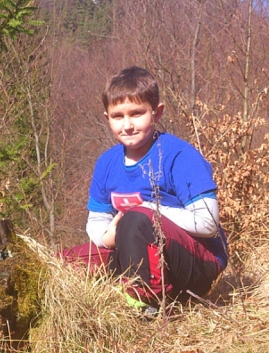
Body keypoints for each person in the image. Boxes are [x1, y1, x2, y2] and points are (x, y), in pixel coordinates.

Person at [62, 66, 227, 313]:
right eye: (118, 116)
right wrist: (106, 237)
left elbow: (207, 223)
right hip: (136, 249)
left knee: (136, 220)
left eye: (137, 113)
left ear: (156, 113)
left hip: (198, 263)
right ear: (107, 118)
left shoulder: (179, 156)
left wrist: (149, 209)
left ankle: (147, 303)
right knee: (62, 262)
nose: (127, 125)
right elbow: (97, 219)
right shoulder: (107, 163)